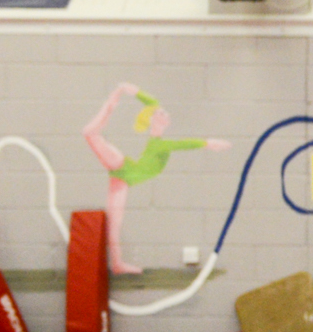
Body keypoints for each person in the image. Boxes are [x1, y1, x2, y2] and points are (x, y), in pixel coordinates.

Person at [82, 81, 229, 274]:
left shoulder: (159, 142)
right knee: (90, 133)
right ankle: (110, 105)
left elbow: (153, 103)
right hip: (123, 166)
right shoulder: (159, 144)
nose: (164, 114)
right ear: (153, 119)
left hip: (125, 179)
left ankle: (117, 264)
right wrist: (208, 143)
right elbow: (182, 143)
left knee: (114, 223)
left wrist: (134, 91)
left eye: (165, 114)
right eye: (160, 113)